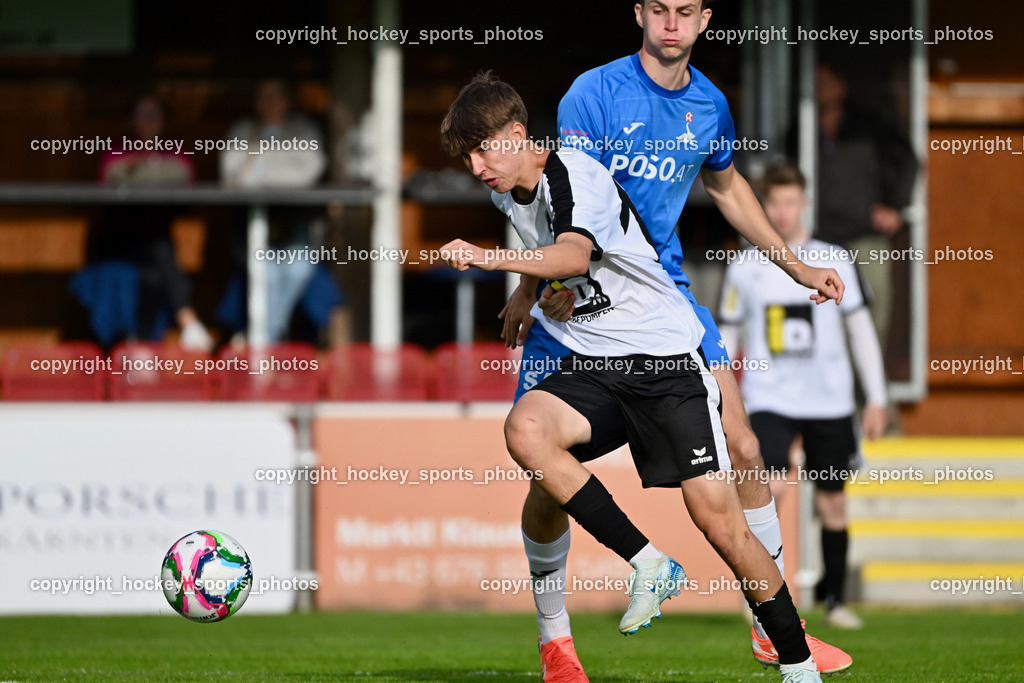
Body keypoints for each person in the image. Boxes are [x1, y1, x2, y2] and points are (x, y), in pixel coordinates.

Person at [439, 72, 838, 683]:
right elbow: (556, 250)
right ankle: (648, 562)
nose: (475, 167)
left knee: (721, 523)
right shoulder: (509, 192)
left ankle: (797, 664)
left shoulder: (574, 173)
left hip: (664, 363)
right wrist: (530, 289)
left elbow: (573, 252)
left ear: (518, 134)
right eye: (467, 157)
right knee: (526, 431)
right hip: (597, 365)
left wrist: (488, 259)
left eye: (482, 150)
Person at [718, 163, 888, 630]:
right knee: (768, 488)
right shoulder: (745, 265)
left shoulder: (835, 258)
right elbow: (727, 335)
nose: (783, 211)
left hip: (829, 400)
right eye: (774, 202)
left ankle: (835, 601)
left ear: (804, 203)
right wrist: (720, 396)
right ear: (763, 206)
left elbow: (861, 331)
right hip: (768, 396)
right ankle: (761, 594)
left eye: (790, 201)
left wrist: (876, 398)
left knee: (833, 502)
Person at [75, 94, 213, 351]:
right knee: (158, 251)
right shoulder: (118, 148)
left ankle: (142, 344)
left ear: (164, 120)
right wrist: (150, 168)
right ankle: (188, 320)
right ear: (132, 119)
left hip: (158, 237)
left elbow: (185, 177)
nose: (149, 120)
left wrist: (138, 170)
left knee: (155, 267)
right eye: (142, 113)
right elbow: (110, 177)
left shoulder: (173, 149)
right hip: (118, 240)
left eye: (155, 114)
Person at [219, 78, 348, 345]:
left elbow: (308, 172)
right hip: (250, 227)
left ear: (288, 101)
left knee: (299, 268)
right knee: (267, 272)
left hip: (297, 225)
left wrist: (259, 164)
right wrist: (281, 162)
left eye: (276, 96)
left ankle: (263, 341)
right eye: (263, 97)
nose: (270, 104)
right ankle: (271, 340)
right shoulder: (243, 130)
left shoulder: (304, 130)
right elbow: (232, 173)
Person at [809, 63, 918, 351]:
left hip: (866, 238)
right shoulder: (801, 127)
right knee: (824, 321)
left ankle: (872, 381)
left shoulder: (868, 126)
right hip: (819, 241)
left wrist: (896, 207)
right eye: (813, 80)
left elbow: (909, 160)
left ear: (842, 88)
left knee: (872, 318)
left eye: (825, 80)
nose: (818, 87)